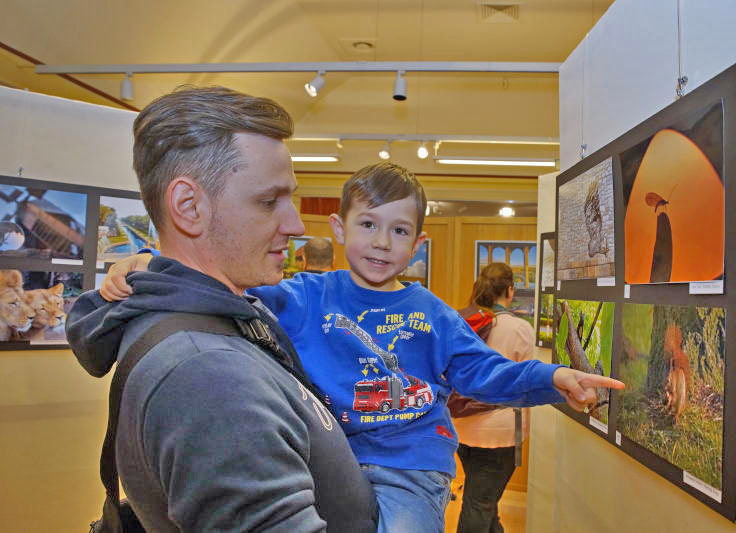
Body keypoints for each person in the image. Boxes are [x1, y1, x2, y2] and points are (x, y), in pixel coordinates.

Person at [95, 162, 625, 533]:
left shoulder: (433, 313)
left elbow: (483, 372)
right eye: (367, 225)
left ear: (417, 243)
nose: (380, 242)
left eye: (398, 231)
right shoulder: (304, 296)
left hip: (412, 465)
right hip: (326, 460)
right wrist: (148, 262)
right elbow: (219, 282)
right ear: (339, 227)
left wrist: (553, 379)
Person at [66, 87, 378, 532]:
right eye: (269, 201)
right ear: (189, 207)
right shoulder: (208, 373)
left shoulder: (217, 319)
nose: (294, 225)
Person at [452, 262, 535, 533]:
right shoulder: (518, 329)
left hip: (462, 426)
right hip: (500, 431)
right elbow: (528, 380)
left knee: (485, 499)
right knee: (480, 503)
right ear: (510, 290)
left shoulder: (462, 321)